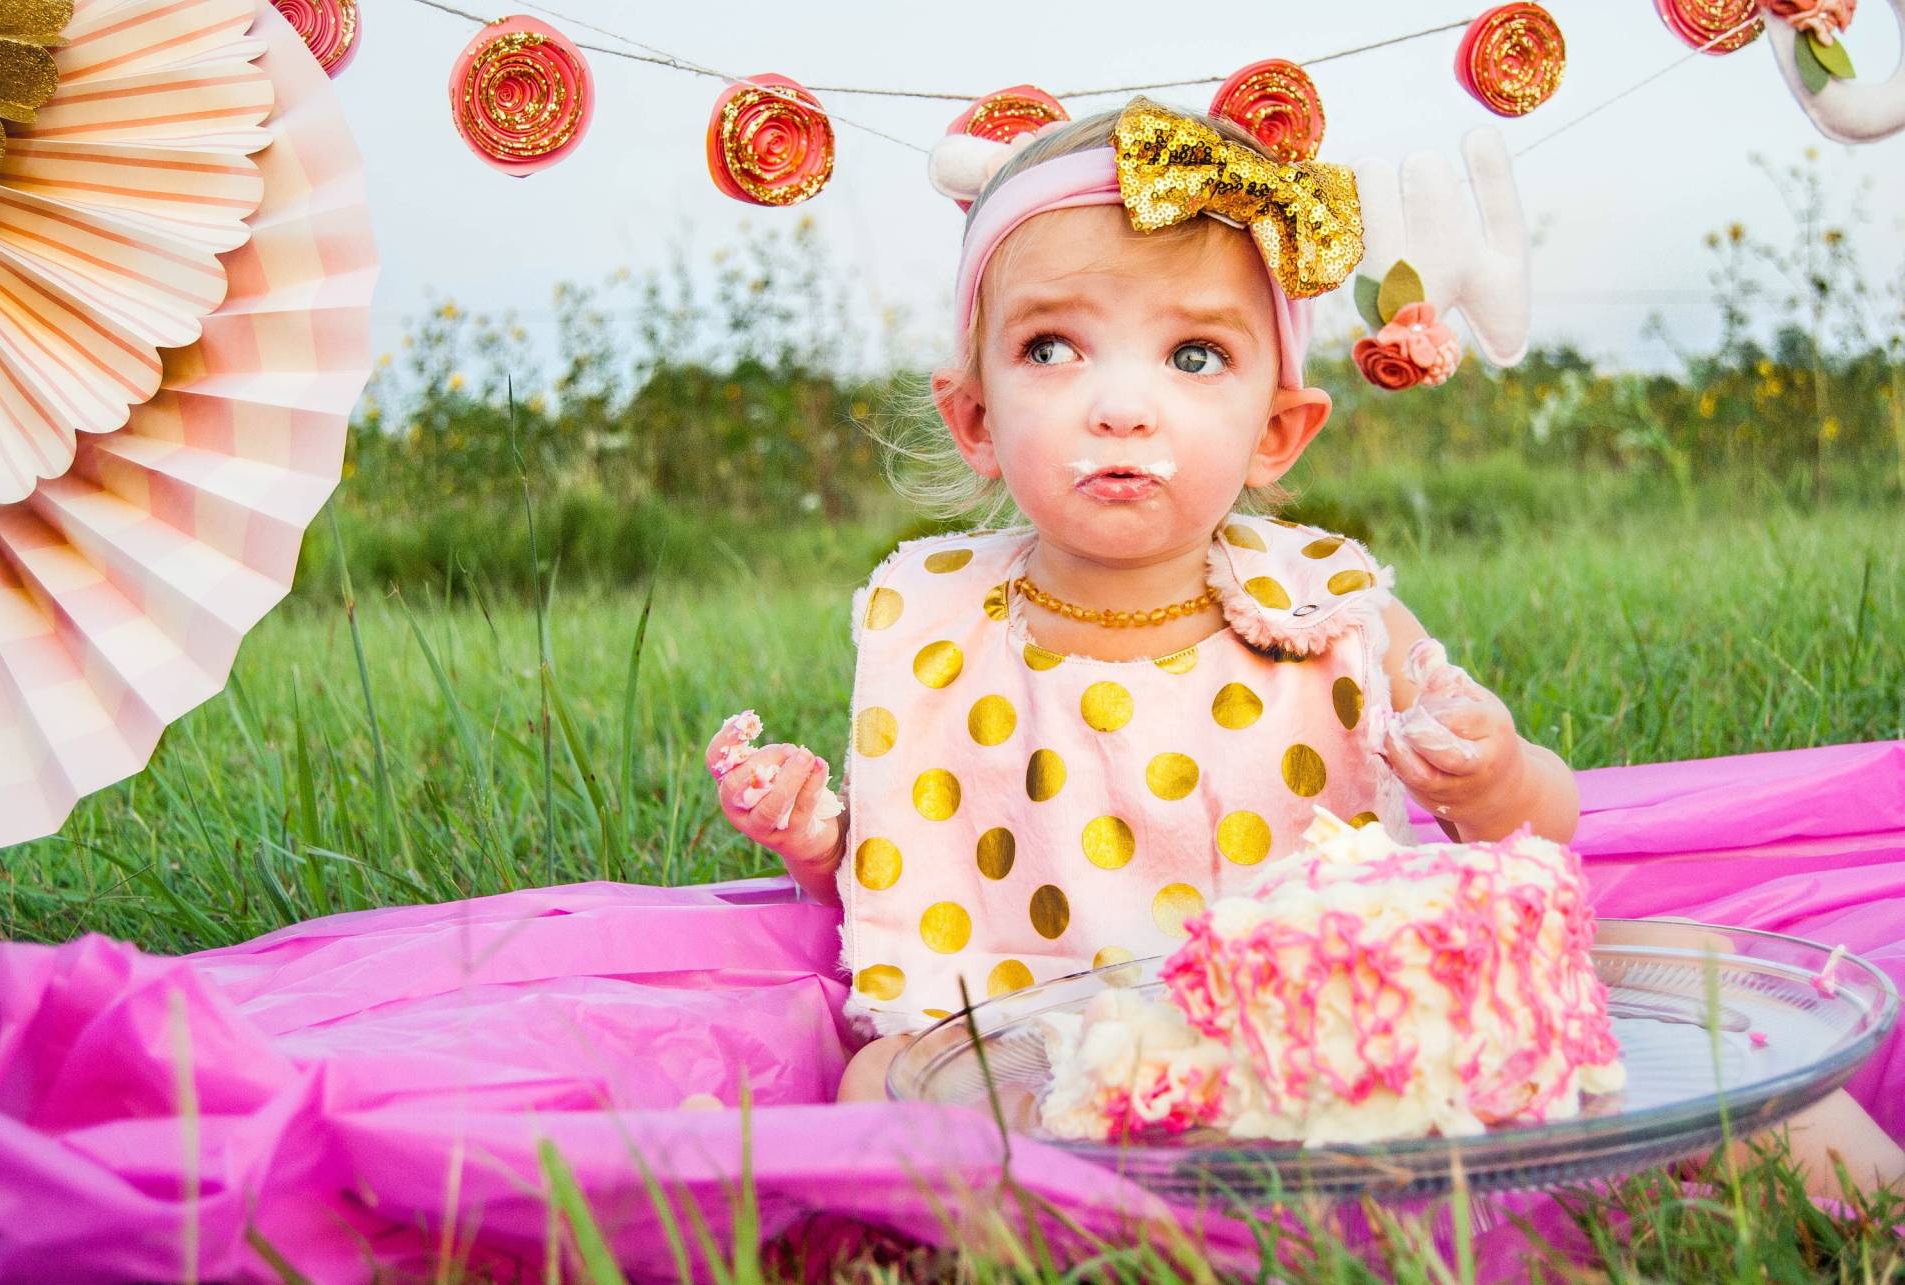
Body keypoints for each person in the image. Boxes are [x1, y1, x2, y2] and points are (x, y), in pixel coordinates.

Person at [704, 98, 1901, 1194]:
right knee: (882, 1092)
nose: (1120, 403)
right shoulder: (937, 615)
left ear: (1279, 428)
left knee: (1674, 984)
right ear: (973, 415)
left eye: (1194, 356)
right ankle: (1060, 1245)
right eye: (1052, 349)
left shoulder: (1328, 604)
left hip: (1334, 1028)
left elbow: (1540, 828)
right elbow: (920, 856)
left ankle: (1872, 1209)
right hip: (1042, 1047)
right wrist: (823, 840)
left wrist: (1489, 775)